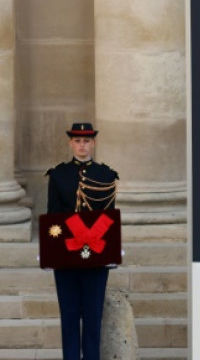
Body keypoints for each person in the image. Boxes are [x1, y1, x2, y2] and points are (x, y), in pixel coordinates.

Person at [46, 122, 119, 360]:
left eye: (86, 141)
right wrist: (52, 251)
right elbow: (53, 219)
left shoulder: (106, 175)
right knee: (68, 316)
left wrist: (107, 251)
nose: (82, 145)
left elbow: (107, 220)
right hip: (67, 256)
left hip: (95, 256)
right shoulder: (58, 175)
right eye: (77, 141)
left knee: (92, 316)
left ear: (93, 143)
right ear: (70, 143)